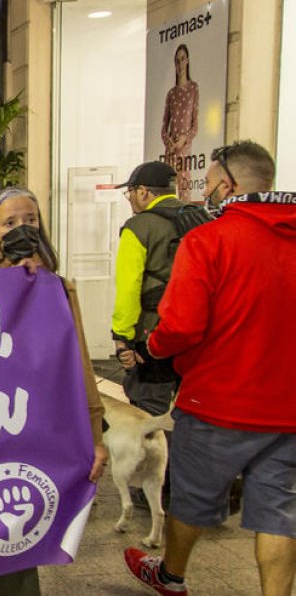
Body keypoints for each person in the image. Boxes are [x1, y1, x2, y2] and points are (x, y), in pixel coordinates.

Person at [125, 141, 295, 596]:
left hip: (218, 403)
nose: (207, 192)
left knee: (191, 501)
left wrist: (153, 346)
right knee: (280, 512)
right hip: (290, 410)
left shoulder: (209, 240)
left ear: (228, 184)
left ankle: (171, 575)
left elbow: (180, 326)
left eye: (210, 183)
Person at [0, 187, 108, 596]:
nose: (21, 229)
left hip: (46, 429)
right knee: (3, 538)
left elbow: (80, 364)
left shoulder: (60, 289)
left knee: (23, 537)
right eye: (9, 223)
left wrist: (95, 436)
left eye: (29, 220)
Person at [111, 161, 185, 416]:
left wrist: (122, 338)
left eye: (130, 192)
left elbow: (129, 288)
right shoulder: (201, 219)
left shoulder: (139, 227)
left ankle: (163, 455)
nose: (130, 199)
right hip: (198, 336)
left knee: (150, 411)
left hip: (153, 333)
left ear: (143, 192)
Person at [161, 44, 199, 199]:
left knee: (184, 193)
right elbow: (164, 126)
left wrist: (184, 139)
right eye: (177, 60)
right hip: (171, 151)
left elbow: (195, 124)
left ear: (187, 61)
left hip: (184, 151)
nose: (180, 64)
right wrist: (169, 143)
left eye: (183, 59)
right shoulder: (171, 93)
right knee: (168, 193)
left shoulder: (193, 89)